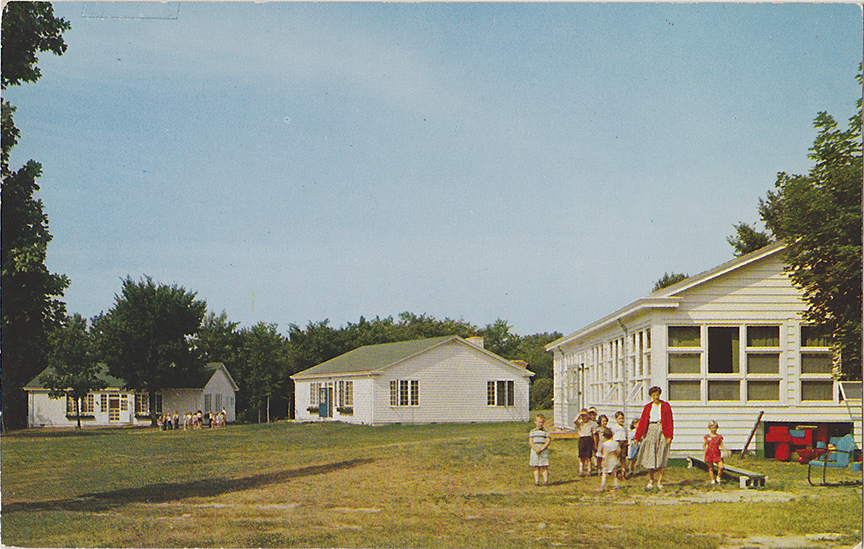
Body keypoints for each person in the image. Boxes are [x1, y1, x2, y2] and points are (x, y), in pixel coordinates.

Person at [634, 386, 673, 490]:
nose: (656, 397)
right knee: (650, 454)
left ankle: (659, 480)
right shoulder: (647, 407)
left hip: (662, 430)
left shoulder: (665, 406)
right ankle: (651, 479)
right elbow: (642, 422)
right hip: (651, 429)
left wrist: (669, 436)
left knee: (662, 454)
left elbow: (669, 421)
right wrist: (637, 437)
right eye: (653, 395)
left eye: (657, 395)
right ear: (651, 396)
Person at [529, 414, 551, 486]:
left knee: (544, 466)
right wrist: (535, 448)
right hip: (535, 451)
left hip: (543, 451)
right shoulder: (532, 432)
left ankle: (545, 481)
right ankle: (536, 481)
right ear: (535, 422)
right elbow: (531, 441)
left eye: (542, 422)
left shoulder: (546, 432)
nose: (541, 424)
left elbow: (548, 441)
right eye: (539, 422)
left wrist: (542, 448)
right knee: (536, 467)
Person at [703, 420, 727, 485]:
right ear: (710, 428)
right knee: (710, 468)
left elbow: (721, 445)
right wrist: (705, 449)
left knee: (721, 467)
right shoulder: (707, 437)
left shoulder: (719, 437)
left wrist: (726, 450)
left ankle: (718, 477)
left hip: (716, 454)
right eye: (712, 428)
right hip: (709, 454)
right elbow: (704, 445)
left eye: (715, 428)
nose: (714, 429)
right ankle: (712, 480)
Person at [574, 409, 594, 477]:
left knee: (589, 457)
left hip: (588, 439)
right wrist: (579, 414)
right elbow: (574, 420)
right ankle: (581, 471)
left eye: (585, 416)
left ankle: (589, 471)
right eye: (583, 416)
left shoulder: (590, 424)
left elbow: (592, 433)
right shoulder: (580, 424)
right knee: (582, 457)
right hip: (582, 439)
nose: (584, 418)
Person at [612, 411, 628, 479]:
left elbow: (626, 435)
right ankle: (615, 473)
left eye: (622, 419)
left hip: (623, 443)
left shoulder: (624, 428)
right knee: (615, 459)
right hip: (617, 443)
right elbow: (612, 435)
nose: (621, 420)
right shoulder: (615, 427)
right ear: (616, 419)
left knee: (623, 459)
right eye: (619, 418)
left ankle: (623, 474)